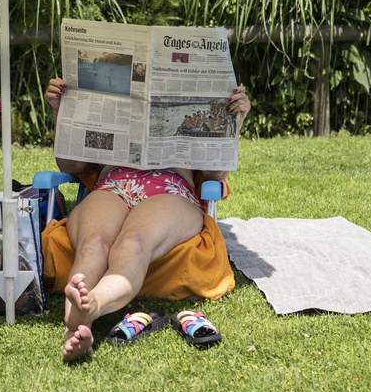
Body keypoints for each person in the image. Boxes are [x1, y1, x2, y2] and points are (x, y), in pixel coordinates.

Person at [44, 77, 250, 362]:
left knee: (134, 241)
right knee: (94, 242)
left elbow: (215, 176)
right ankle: (78, 330)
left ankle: (91, 306)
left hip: (170, 186)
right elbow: (71, 166)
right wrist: (61, 110)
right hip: (114, 184)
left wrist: (233, 120)